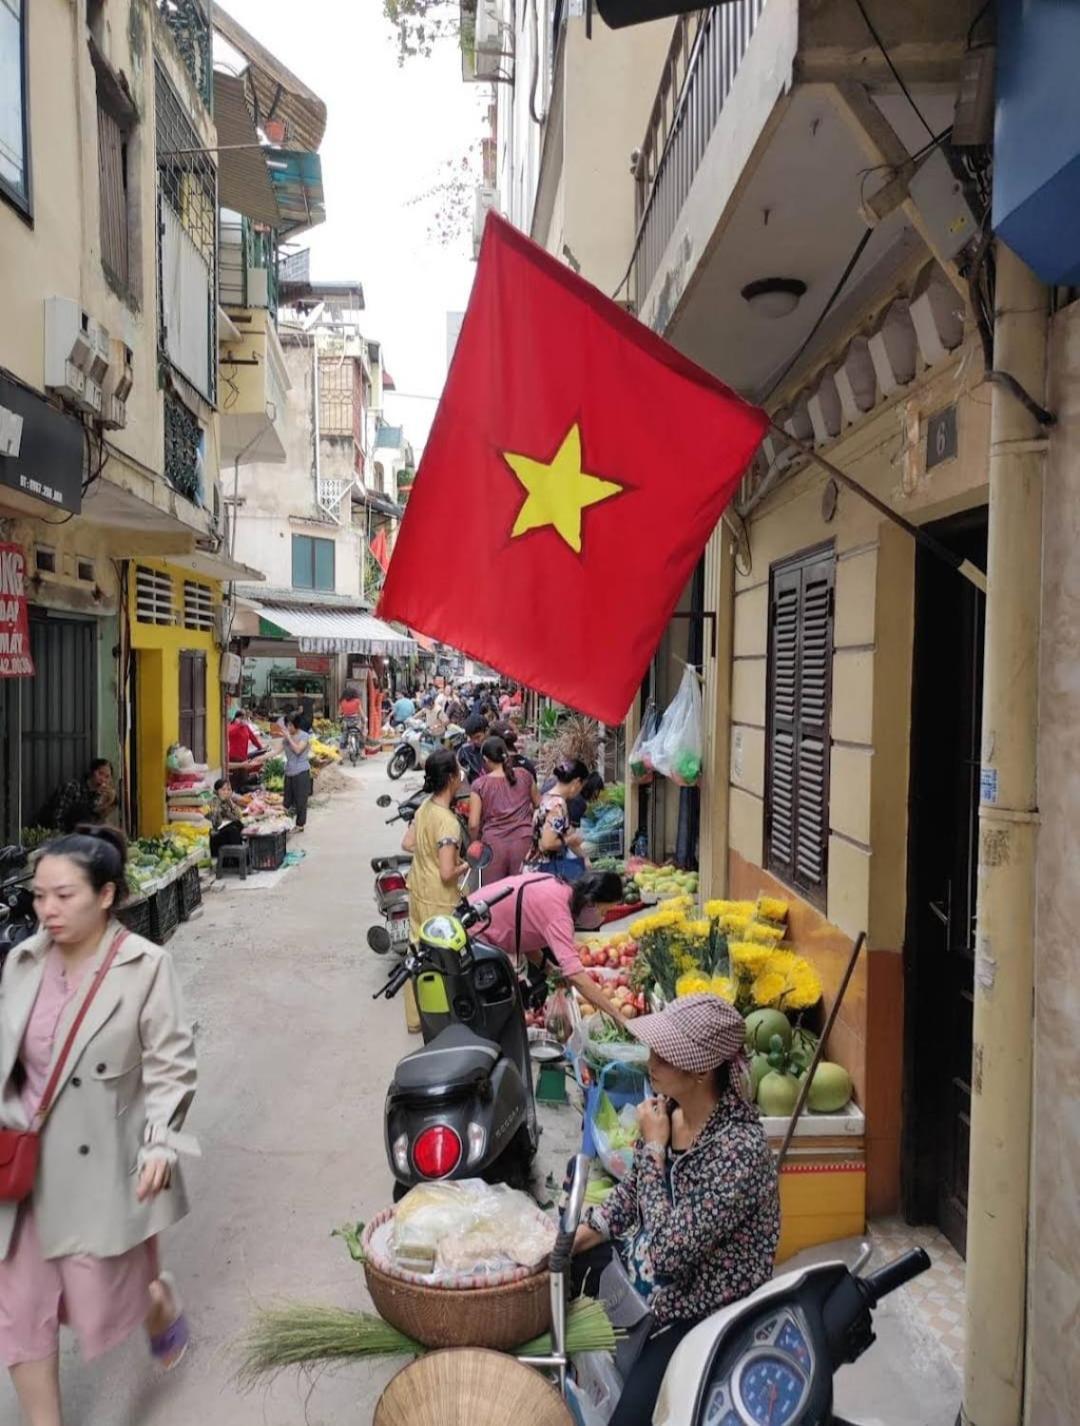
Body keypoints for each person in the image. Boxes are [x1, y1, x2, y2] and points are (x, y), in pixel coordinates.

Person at [0, 827, 198, 1423]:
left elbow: (172, 1067)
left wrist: (162, 1143)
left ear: (106, 895)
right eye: (39, 896)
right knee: (21, 1307)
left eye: (64, 895)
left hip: (105, 1166)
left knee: (106, 1294)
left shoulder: (145, 968)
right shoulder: (22, 961)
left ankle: (156, 1300)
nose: (47, 910)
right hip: (26, 1165)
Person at [571, 994, 780, 1426]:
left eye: (664, 1054)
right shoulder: (670, 1111)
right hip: (647, 1286)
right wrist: (574, 1236)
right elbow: (630, 1197)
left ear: (702, 1070)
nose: (651, 1061)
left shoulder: (739, 1150)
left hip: (698, 1310)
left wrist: (652, 1148)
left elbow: (668, 1256)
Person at [467, 870, 628, 1023]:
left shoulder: (558, 889)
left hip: (472, 922)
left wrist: (550, 969)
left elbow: (525, 933)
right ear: (591, 903)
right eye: (603, 911)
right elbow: (575, 974)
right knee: (488, 1009)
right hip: (473, 935)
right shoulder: (559, 913)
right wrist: (618, 1017)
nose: (602, 918)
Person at [402, 749, 469, 944]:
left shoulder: (424, 807)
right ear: (451, 778)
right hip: (440, 900)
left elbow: (407, 843)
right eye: (458, 771)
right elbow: (447, 874)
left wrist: (431, 854)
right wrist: (466, 865)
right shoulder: (448, 822)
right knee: (441, 958)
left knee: (418, 952)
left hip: (418, 891)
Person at [468, 736, 539, 880]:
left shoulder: (479, 785)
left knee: (495, 895)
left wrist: (474, 841)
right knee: (521, 891)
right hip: (524, 842)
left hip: (494, 846)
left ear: (486, 760)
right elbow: (539, 804)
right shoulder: (524, 775)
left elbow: (474, 824)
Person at [527, 758, 590, 880]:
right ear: (577, 782)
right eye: (582, 786)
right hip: (544, 870)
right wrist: (569, 840)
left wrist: (585, 859)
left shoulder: (547, 797)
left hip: (534, 866)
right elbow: (548, 843)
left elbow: (566, 831)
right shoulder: (557, 805)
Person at [40, 760, 118, 835]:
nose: (103, 779)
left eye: (107, 777)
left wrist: (108, 802)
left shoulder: (98, 796)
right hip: (56, 835)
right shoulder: (73, 788)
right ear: (92, 772)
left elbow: (96, 822)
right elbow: (57, 818)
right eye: (100, 773)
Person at [282, 712, 312, 832]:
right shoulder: (286, 737)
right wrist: (259, 758)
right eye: (287, 725)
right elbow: (276, 751)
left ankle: (300, 825)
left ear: (296, 725)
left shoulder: (304, 736)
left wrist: (289, 738)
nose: (288, 728)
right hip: (289, 771)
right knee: (286, 800)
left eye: (290, 725)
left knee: (301, 800)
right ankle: (284, 823)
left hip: (301, 771)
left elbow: (298, 750)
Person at [208, 777, 246, 858]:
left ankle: (241, 856)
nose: (226, 792)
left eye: (228, 790)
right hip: (216, 836)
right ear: (216, 791)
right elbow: (216, 823)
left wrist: (231, 802)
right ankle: (237, 858)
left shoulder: (227, 802)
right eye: (223, 789)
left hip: (225, 833)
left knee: (238, 824)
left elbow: (238, 816)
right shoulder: (214, 801)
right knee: (233, 830)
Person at [456, 713, 490, 784]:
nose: (475, 741)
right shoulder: (465, 752)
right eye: (472, 738)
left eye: (478, 737)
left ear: (487, 731)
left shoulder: (497, 746)